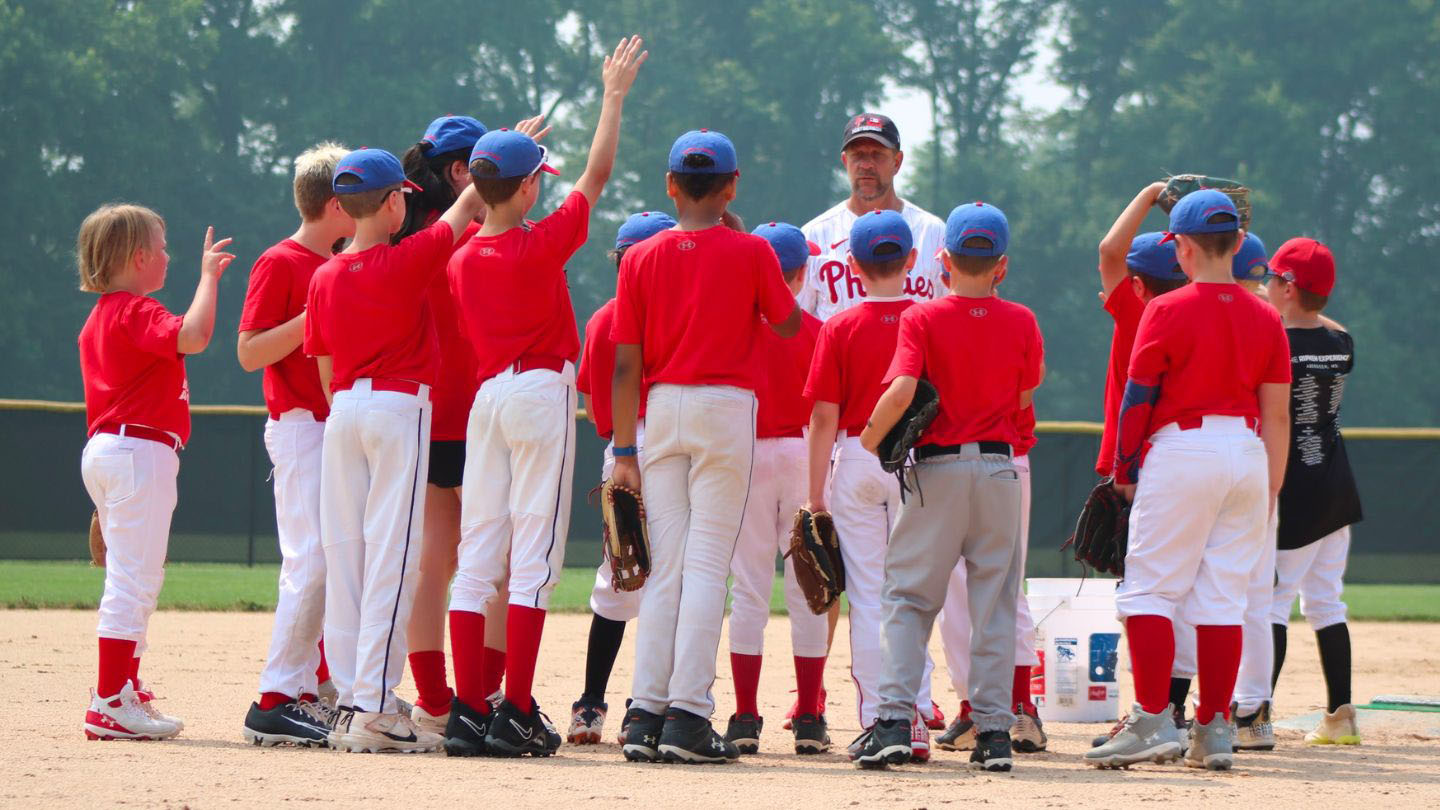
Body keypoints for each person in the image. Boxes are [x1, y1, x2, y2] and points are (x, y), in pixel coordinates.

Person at [443, 35, 648, 758]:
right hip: (538, 392)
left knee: (478, 558)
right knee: (532, 558)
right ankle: (517, 710)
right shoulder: (539, 243)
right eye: (536, 182)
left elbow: (484, 204)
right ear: (529, 189)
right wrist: (612, 95)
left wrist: (499, 166)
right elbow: (596, 173)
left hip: (487, 401)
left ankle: (469, 710)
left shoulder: (461, 257)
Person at [611, 128, 801, 765]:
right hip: (725, 408)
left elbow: (624, 366)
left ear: (670, 186)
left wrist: (624, 450)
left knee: (665, 564)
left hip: (659, 410)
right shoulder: (750, 252)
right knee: (707, 566)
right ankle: (688, 715)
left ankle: (643, 714)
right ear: (731, 187)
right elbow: (789, 321)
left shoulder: (640, 258)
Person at [1086, 190, 1291, 772]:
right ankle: (1214, 729)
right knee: (1223, 598)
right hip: (1249, 453)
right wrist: (1270, 487)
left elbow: (1138, 398)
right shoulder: (1266, 314)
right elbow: (1277, 413)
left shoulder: (1165, 309)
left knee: (1149, 590)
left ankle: (1152, 718)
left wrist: (1125, 470)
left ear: (1182, 246)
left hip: (1182, 447)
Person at [304, 147, 485, 753]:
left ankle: (356, 700)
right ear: (389, 203)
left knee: (347, 557)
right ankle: (377, 710)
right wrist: (496, 156)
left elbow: (325, 366)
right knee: (395, 556)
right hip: (397, 406)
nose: (407, 201)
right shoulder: (406, 257)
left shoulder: (323, 275)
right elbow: (463, 210)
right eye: (401, 194)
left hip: (344, 411)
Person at [854, 202, 1041, 773]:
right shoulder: (1023, 321)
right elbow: (1026, 400)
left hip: (937, 470)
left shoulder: (924, 317)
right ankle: (992, 734)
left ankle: (890, 721)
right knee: (993, 603)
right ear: (1001, 266)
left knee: (909, 599)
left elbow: (905, 386)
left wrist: (869, 438)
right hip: (1000, 470)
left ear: (942, 260)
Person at [392, 113, 535, 736]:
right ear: (459, 171)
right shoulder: (480, 234)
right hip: (479, 411)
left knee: (435, 561)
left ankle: (433, 699)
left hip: (426, 412)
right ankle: (490, 697)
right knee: (496, 563)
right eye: (476, 163)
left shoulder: (403, 233)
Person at [77, 204, 234, 739]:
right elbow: (193, 335)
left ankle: (126, 687)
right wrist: (208, 278)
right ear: (139, 257)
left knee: (137, 577)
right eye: (162, 248)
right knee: (134, 581)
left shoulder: (100, 317)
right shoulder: (132, 311)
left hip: (113, 449)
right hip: (137, 451)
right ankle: (109, 700)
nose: (168, 256)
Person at [802, 209, 936, 762]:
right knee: (913, 595)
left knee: (868, 597)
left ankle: (881, 721)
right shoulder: (931, 318)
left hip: (857, 458)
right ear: (911, 260)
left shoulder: (840, 325)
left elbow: (822, 419)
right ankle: (918, 719)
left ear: (852, 266)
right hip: (920, 464)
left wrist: (815, 497)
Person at [238, 142, 354, 746]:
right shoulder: (281, 262)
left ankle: (312, 686)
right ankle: (275, 696)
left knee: (334, 561)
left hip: (335, 425)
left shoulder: (341, 261)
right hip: (300, 425)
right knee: (309, 561)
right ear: (336, 204)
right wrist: (315, 313)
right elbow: (250, 350)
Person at [1087, 185, 1197, 751]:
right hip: (1195, 463)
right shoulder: (1198, 308)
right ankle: (1177, 709)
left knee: (1146, 595)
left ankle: (1153, 712)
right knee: (1187, 594)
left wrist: (1153, 192)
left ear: (1136, 282)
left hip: (1139, 465)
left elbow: (1109, 249)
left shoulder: (1136, 309)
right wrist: (1195, 221)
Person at [567, 210, 675, 746]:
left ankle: (590, 704)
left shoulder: (604, 318)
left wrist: (617, 438)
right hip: (673, 448)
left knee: (617, 577)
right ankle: (648, 704)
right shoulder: (679, 315)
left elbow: (592, 403)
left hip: (622, 450)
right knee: (669, 578)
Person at [723, 222, 830, 756]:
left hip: (744, 456)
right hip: (802, 453)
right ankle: (810, 716)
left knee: (748, 589)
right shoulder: (815, 330)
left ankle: (744, 717)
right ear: (802, 271)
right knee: (807, 588)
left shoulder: (731, 327)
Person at [1260, 238, 1364, 746]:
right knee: (1326, 603)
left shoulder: (1275, 342)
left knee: (1273, 603)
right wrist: (1300, 302)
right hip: (1335, 484)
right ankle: (1341, 717)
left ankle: (1257, 713)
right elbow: (1328, 324)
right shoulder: (1340, 344)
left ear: (1289, 287)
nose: (1265, 285)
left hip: (1293, 485)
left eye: (1273, 279)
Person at [798, 114, 946, 321]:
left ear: (897, 161)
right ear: (844, 161)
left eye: (877, 154)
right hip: (839, 354)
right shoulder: (813, 235)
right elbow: (800, 325)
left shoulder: (933, 231)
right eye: (857, 155)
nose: (866, 164)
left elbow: (948, 318)